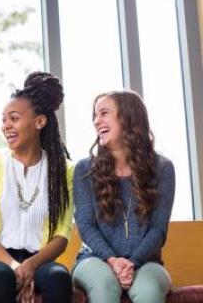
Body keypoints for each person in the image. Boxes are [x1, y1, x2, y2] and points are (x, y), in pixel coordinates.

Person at [0, 72, 74, 303]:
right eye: (3, 119)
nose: (6, 125)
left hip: (39, 261)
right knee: (1, 275)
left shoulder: (65, 170)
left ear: (39, 122)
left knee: (59, 276)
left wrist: (30, 265)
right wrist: (15, 266)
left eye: (14, 118)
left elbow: (62, 235)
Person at [73, 91, 175, 303]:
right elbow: (85, 225)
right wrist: (112, 260)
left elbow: (158, 229)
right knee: (103, 286)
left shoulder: (162, 169)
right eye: (95, 115)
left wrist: (133, 262)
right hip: (94, 259)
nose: (96, 121)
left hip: (147, 262)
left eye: (104, 113)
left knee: (149, 292)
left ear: (128, 118)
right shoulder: (85, 169)